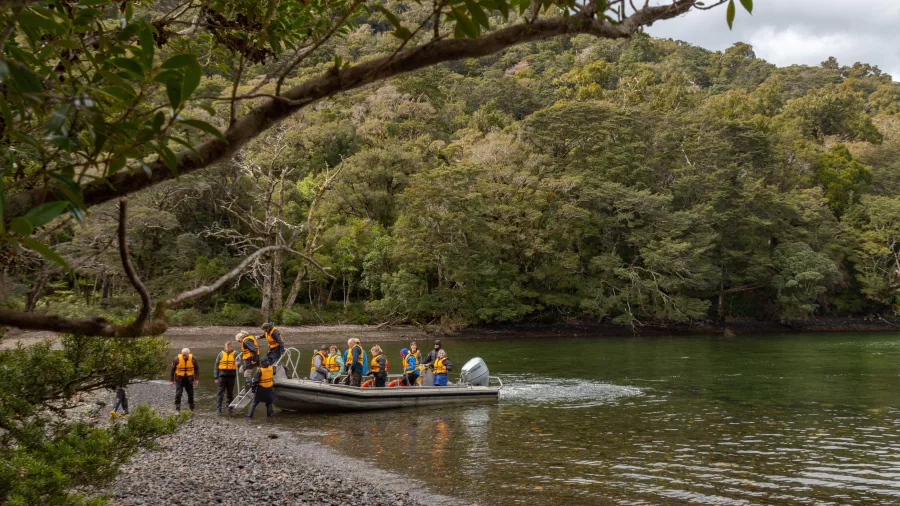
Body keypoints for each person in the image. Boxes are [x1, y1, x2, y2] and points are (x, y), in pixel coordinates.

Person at [170, 347, 199, 412]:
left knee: (191, 394)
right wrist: (171, 380)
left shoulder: (193, 359)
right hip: (179, 379)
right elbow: (172, 370)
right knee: (178, 394)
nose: (184, 356)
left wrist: (196, 379)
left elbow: (197, 369)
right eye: (183, 354)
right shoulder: (176, 359)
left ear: (188, 354)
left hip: (189, 380)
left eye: (185, 355)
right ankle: (177, 409)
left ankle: (192, 409)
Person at [214, 341, 238, 415]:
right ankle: (218, 409)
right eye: (226, 347)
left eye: (228, 347)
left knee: (230, 393)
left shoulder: (236, 354)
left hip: (231, 376)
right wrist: (216, 377)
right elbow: (216, 366)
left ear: (231, 347)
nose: (227, 348)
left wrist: (238, 363)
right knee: (220, 393)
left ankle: (229, 408)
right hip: (222, 376)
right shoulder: (220, 354)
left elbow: (240, 362)